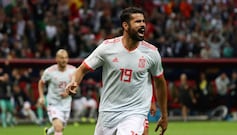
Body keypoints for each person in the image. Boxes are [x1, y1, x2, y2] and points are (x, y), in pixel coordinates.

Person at [65, 7, 168, 135]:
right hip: (108, 112)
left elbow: (160, 83)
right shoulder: (107, 48)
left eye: (143, 21)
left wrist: (164, 114)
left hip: (135, 112)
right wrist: (74, 82)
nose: (142, 25)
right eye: (137, 22)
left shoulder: (151, 53)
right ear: (125, 25)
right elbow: (81, 69)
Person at [38, 49, 76, 135]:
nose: (64, 60)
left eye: (66, 58)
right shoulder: (49, 71)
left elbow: (75, 85)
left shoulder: (73, 70)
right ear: (57, 59)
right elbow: (41, 83)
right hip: (53, 103)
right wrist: (41, 97)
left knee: (60, 127)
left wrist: (69, 92)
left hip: (66, 104)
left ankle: (48, 132)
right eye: (62, 58)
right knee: (58, 127)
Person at [0, 60, 15, 128]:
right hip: (2, 98)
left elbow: (10, 74)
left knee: (11, 111)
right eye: (5, 76)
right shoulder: (1, 82)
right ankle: (4, 123)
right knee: (4, 110)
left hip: (8, 99)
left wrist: (7, 66)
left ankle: (10, 122)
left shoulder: (10, 83)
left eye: (7, 76)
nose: (6, 77)